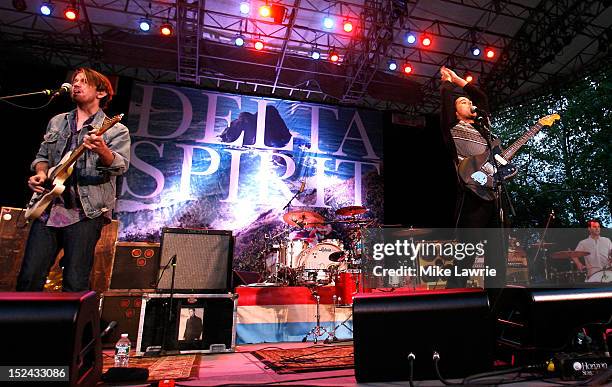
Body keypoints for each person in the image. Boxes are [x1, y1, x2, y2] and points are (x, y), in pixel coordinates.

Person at [16, 68, 131, 292]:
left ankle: (69, 327)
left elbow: (120, 165)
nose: (76, 85)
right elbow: (42, 158)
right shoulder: (57, 122)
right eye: (74, 81)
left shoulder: (115, 130)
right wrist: (40, 174)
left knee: (75, 282)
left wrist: (102, 150)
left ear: (101, 93)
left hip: (85, 213)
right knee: (29, 278)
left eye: (83, 82)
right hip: (48, 210)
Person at [439, 66, 507, 289]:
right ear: (455, 111)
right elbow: (447, 100)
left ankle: (495, 302)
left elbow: (482, 97)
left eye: (468, 102)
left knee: (497, 254)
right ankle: (452, 299)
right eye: (462, 103)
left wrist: (460, 80)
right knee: (466, 252)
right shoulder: (452, 126)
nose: (468, 103)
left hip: (492, 193)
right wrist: (448, 83)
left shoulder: (483, 130)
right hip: (471, 194)